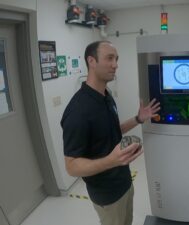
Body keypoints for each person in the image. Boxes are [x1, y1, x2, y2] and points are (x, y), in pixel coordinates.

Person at [61, 40, 160, 225]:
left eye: (116, 58)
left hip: (124, 182)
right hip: (106, 195)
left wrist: (138, 119)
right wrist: (111, 160)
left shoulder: (106, 96)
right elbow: (71, 166)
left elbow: (112, 131)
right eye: (109, 58)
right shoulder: (78, 111)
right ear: (91, 61)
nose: (116, 65)